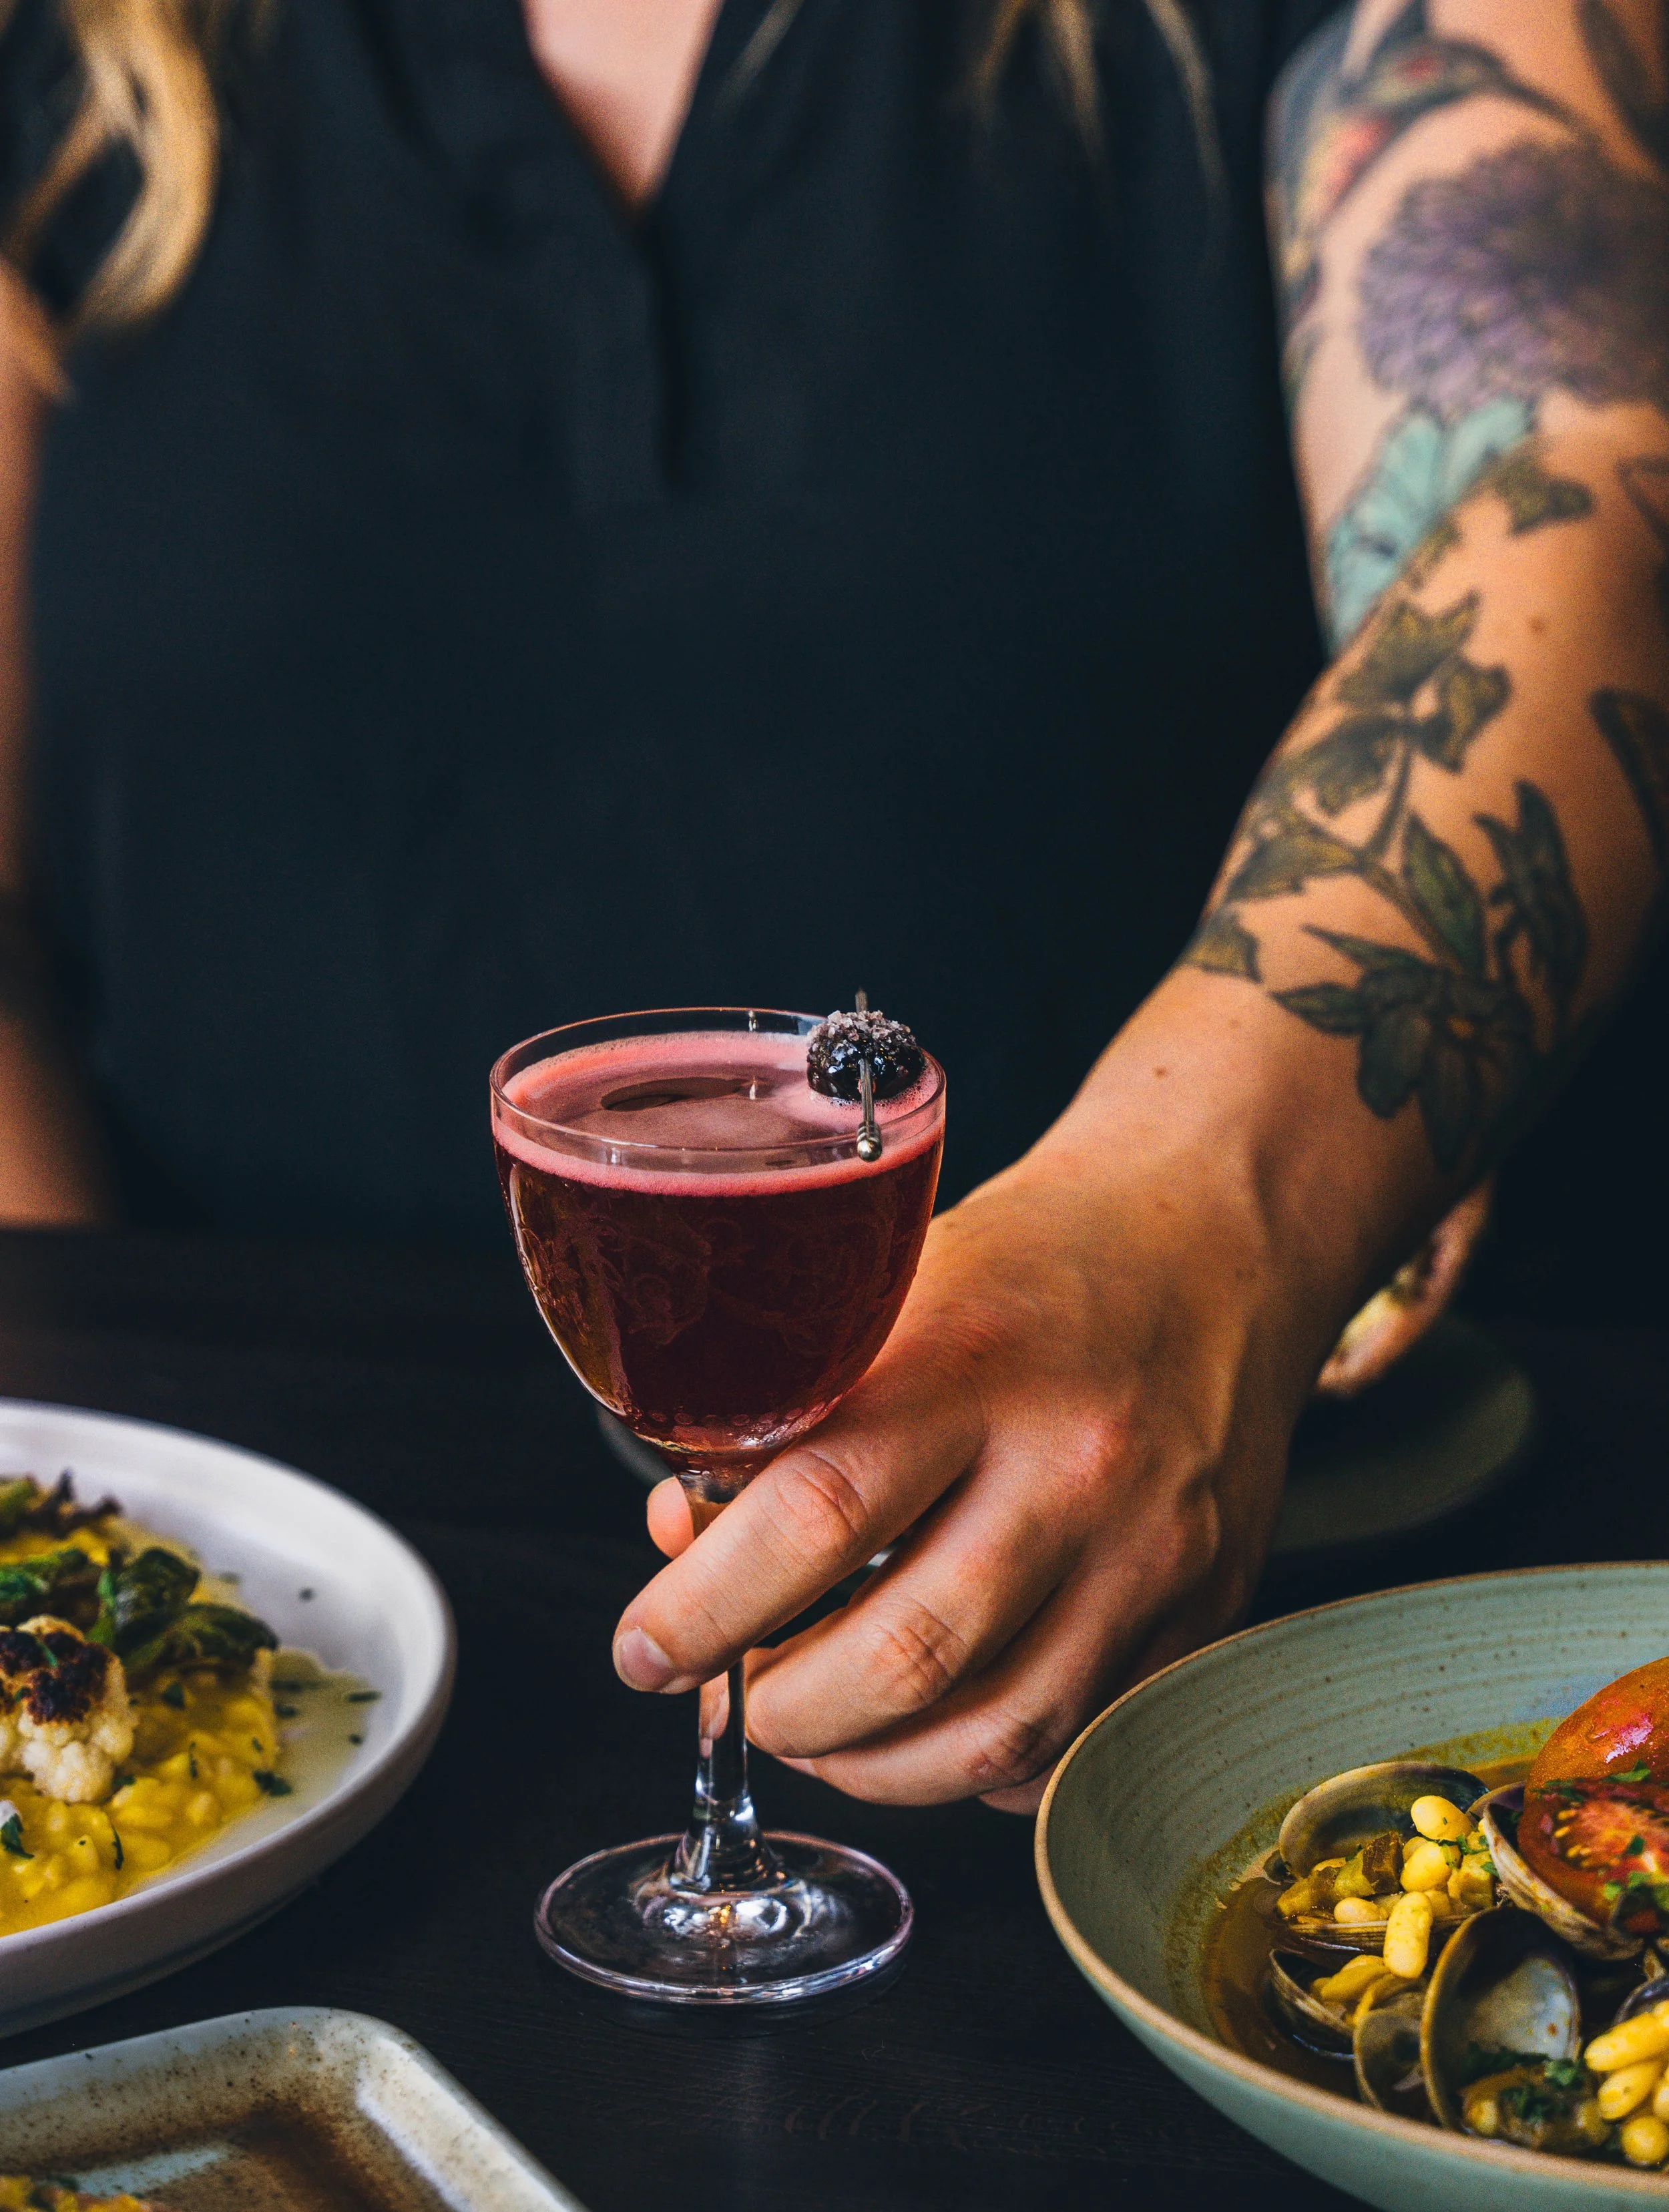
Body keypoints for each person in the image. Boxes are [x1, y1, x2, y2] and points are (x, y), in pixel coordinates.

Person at [3, 0, 1667, 1810]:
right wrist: (98, 1529)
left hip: (1218, 1670)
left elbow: (1567, 491)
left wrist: (1199, 1224)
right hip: (208, 1691)